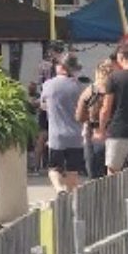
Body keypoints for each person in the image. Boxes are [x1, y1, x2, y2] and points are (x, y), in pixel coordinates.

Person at [42, 55, 88, 192]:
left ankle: (59, 189)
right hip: (76, 136)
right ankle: (70, 200)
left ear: (61, 67)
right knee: (73, 172)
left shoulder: (48, 85)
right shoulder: (79, 87)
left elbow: (43, 104)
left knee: (53, 169)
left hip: (56, 136)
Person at [76, 56, 114, 179]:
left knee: (94, 175)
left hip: (93, 133)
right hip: (114, 134)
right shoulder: (117, 90)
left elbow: (79, 117)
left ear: (98, 72)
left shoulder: (90, 91)